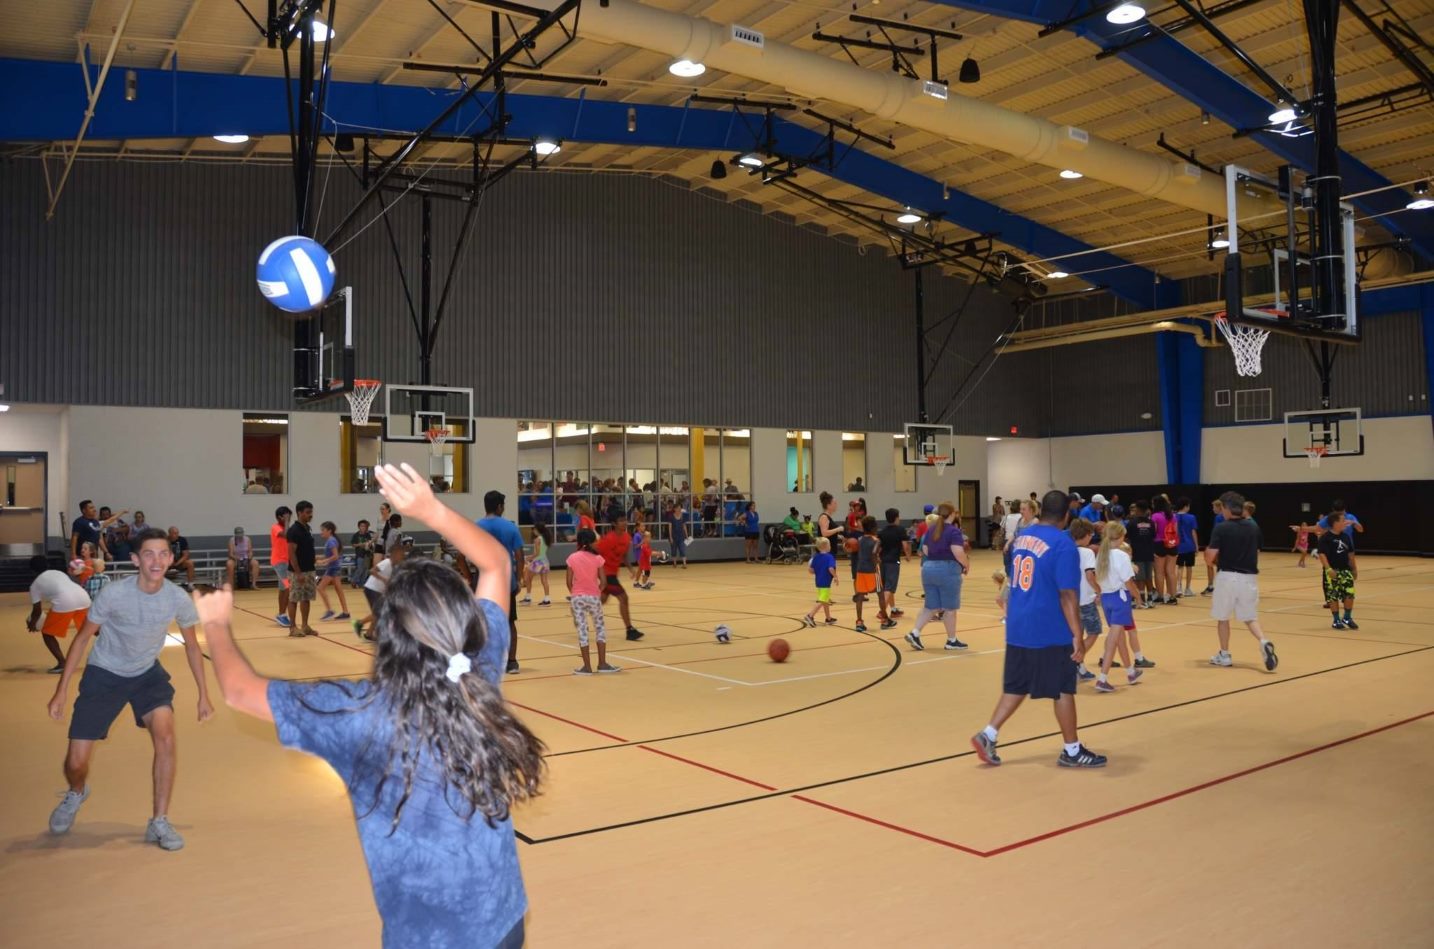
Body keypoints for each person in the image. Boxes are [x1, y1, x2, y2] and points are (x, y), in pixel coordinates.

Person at [193, 463, 542, 947]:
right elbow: (497, 564)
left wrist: (213, 623)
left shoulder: (358, 712)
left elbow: (237, 689)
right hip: (503, 919)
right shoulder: (478, 667)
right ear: (461, 620)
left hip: (428, 938)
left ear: (388, 634)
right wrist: (431, 510)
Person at [45, 527, 213, 851]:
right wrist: (61, 689)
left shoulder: (177, 597)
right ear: (135, 559)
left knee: (165, 737)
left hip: (147, 675)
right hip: (104, 674)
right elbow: (81, 639)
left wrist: (204, 694)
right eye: (148, 553)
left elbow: (193, 647)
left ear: (170, 558)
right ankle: (76, 792)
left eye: (163, 553)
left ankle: (159, 821)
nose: (157, 560)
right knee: (75, 763)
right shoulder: (114, 594)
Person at [970, 491, 1107, 769]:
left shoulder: (1024, 537)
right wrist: (1077, 636)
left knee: (1018, 684)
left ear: (1042, 510)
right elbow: (1067, 596)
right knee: (1063, 689)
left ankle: (988, 734)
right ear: (1067, 514)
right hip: (1048, 627)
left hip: (1019, 623)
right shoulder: (1063, 544)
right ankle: (1071, 750)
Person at [1206, 491, 1278, 672]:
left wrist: (1210, 554)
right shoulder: (1253, 527)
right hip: (1249, 578)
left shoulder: (1222, 528)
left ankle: (1224, 654)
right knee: (1250, 617)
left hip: (1228, 577)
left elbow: (1210, 557)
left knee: (1223, 618)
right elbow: (1258, 550)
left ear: (1227, 509)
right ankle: (1263, 640)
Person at [903, 501, 970, 651]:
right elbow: (958, 552)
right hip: (947, 570)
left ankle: (915, 633)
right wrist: (966, 564)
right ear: (952, 514)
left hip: (928, 568)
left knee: (931, 606)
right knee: (950, 608)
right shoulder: (954, 532)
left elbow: (925, 550)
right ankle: (951, 640)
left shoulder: (931, 529)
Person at [1090, 521, 1146, 693]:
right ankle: (1103, 678)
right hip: (1119, 598)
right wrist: (1138, 597)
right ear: (1121, 537)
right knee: (1113, 640)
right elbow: (1128, 582)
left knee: (1120, 637)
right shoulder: (1121, 556)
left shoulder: (1101, 554)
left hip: (1107, 599)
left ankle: (1130, 672)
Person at [477, 490, 528, 675]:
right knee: (509, 622)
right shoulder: (510, 527)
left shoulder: (475, 527)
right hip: (505, 583)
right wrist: (520, 578)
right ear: (499, 507)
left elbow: (461, 556)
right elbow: (519, 556)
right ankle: (512, 662)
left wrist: (468, 576)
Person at [567, 529, 620, 675]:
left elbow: (568, 581)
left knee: (582, 631)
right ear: (591, 542)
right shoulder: (597, 558)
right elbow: (603, 581)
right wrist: (597, 590)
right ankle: (602, 664)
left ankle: (587, 667)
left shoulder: (572, 558)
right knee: (599, 629)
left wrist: (575, 592)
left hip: (577, 597)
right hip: (593, 597)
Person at [27, 555, 91, 673]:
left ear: (32, 571)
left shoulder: (34, 585)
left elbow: (37, 610)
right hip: (83, 596)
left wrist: (32, 623)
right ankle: (116, 653)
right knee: (93, 629)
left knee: (47, 633)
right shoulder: (58, 572)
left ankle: (62, 663)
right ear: (47, 565)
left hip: (65, 601)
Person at [596, 513, 645, 642]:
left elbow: (623, 556)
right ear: (614, 524)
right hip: (606, 574)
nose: (624, 522)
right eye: (621, 520)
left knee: (603, 599)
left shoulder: (627, 537)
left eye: (625, 520)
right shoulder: (608, 539)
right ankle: (629, 630)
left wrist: (630, 568)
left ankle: (581, 607)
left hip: (613, 572)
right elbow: (595, 555)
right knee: (624, 598)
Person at [353, 538, 406, 642]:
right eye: (400, 554)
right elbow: (372, 571)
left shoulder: (395, 566)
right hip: (372, 588)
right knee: (379, 612)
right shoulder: (386, 562)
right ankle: (359, 623)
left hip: (378, 590)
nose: (402, 556)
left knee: (379, 612)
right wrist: (384, 579)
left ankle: (368, 634)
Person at [1070, 519, 1101, 684]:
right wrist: (1099, 590)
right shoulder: (1087, 552)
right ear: (1087, 535)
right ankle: (1076, 659)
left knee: (1077, 634)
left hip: (1069, 600)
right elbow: (1090, 576)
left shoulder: (1067, 550)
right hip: (1085, 600)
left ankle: (1080, 667)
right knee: (1094, 631)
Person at [1317, 512, 1359, 630]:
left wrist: (1354, 569)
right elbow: (1322, 554)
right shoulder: (1325, 538)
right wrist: (1328, 569)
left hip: (1345, 570)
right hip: (1332, 571)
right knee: (1333, 596)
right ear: (1335, 523)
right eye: (1342, 520)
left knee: (1349, 594)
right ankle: (1336, 620)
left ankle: (1347, 617)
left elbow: (1350, 554)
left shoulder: (1346, 537)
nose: (1345, 522)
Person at [285, 501, 319, 638]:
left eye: (311, 512)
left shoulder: (307, 529)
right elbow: (291, 553)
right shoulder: (294, 531)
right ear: (299, 513)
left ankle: (305, 626)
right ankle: (293, 627)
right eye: (307, 512)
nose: (310, 515)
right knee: (294, 598)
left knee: (306, 598)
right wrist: (298, 572)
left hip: (309, 569)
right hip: (297, 571)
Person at [876, 508, 909, 626]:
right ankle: (882, 612)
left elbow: (878, 546)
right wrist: (908, 555)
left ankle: (893, 610)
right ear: (896, 517)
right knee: (889, 588)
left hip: (882, 562)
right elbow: (905, 544)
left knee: (886, 587)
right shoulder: (900, 530)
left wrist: (877, 557)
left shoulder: (882, 531)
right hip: (894, 561)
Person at [315, 521, 352, 622]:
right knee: (339, 590)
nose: (321, 532)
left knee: (320, 588)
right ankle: (345, 612)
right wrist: (319, 557)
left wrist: (324, 561)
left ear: (329, 531)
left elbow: (335, 556)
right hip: (335, 567)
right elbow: (331, 555)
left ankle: (329, 611)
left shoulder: (331, 541)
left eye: (323, 530)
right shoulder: (331, 540)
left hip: (333, 568)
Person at [800, 538, 839, 627]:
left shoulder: (816, 557)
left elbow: (811, 570)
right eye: (829, 545)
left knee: (825, 600)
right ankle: (810, 615)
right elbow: (831, 568)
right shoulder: (829, 557)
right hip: (825, 581)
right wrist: (835, 576)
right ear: (826, 546)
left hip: (818, 581)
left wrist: (819, 571)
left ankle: (828, 618)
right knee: (822, 600)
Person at [852, 515, 881, 633]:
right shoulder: (876, 540)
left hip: (860, 570)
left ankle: (859, 621)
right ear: (874, 527)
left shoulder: (859, 540)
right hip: (872, 570)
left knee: (860, 596)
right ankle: (884, 619)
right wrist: (877, 562)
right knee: (881, 594)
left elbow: (850, 549)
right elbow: (874, 554)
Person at [1126, 500, 1157, 608]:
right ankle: (1150, 599)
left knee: (1140, 578)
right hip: (1149, 552)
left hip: (1137, 553)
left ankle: (1142, 600)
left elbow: (1127, 537)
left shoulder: (1132, 523)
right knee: (1148, 577)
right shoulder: (1151, 522)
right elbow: (1153, 535)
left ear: (1138, 510)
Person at [1150, 496, 1178, 604]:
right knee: (1171, 571)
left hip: (1159, 543)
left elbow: (1154, 531)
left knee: (1159, 572)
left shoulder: (1155, 516)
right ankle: (1173, 597)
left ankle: (1160, 596)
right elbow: (1176, 531)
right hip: (1172, 544)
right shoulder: (1172, 516)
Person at [520, 521, 553, 605]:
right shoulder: (545, 538)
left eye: (534, 529)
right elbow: (541, 553)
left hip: (538, 562)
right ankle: (547, 599)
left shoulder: (537, 539)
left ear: (537, 529)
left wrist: (528, 558)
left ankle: (528, 597)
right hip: (545, 561)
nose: (533, 530)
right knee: (544, 580)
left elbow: (537, 554)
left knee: (527, 578)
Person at [270, 506, 293, 627]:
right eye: (286, 516)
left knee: (285, 588)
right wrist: (287, 522)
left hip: (287, 561)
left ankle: (282, 614)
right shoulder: (276, 527)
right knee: (286, 587)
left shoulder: (287, 527)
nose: (288, 518)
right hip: (279, 562)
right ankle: (282, 614)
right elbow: (286, 535)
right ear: (280, 517)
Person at [815, 492, 844, 563]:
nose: (836, 505)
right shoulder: (824, 517)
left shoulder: (828, 517)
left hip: (830, 550)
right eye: (834, 503)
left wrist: (838, 535)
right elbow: (824, 533)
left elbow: (829, 532)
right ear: (828, 505)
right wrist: (838, 529)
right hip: (825, 551)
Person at [350, 519, 375, 589]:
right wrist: (360, 544)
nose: (363, 527)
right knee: (360, 568)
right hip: (359, 554)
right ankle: (353, 580)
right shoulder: (356, 535)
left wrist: (369, 544)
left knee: (365, 570)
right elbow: (353, 544)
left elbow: (370, 543)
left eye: (364, 526)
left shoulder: (368, 535)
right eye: (361, 526)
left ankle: (362, 584)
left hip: (367, 554)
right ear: (359, 527)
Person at [665, 501, 689, 568]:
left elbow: (684, 526)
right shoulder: (671, 516)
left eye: (680, 508)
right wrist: (670, 537)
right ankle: (674, 563)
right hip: (673, 536)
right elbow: (669, 527)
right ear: (674, 509)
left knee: (682, 549)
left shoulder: (683, 516)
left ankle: (684, 564)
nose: (679, 509)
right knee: (673, 550)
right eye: (678, 508)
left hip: (681, 536)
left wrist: (687, 536)